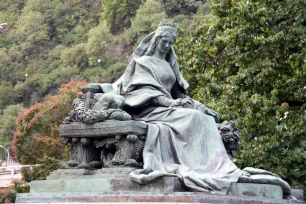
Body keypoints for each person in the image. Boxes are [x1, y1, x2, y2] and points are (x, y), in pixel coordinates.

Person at [110, 21, 295, 198]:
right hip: (149, 108)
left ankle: (209, 166)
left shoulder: (168, 65)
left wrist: (202, 107)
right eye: (164, 41)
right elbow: (143, 91)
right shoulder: (142, 62)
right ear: (156, 39)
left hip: (169, 107)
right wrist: (170, 103)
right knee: (191, 118)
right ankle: (201, 165)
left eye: (170, 43)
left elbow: (179, 95)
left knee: (202, 117)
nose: (166, 46)